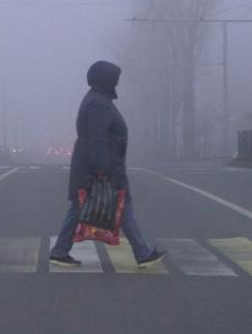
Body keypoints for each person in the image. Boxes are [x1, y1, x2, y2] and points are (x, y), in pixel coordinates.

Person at [49, 60, 165, 268]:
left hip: (96, 165)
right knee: (121, 205)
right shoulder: (99, 104)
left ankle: (59, 251)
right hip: (100, 167)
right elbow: (97, 138)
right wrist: (102, 169)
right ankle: (142, 252)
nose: (117, 84)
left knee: (82, 207)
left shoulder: (98, 100)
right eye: (114, 79)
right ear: (105, 80)